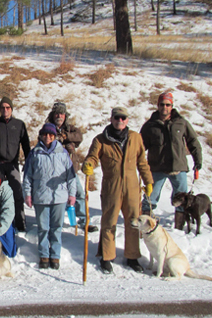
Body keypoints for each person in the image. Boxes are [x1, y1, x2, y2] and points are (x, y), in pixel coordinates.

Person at [82, 107, 153, 274]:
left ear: (127, 120)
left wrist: (148, 181)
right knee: (109, 223)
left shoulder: (135, 138)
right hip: (111, 187)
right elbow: (92, 156)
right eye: (116, 118)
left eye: (123, 118)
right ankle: (107, 257)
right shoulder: (100, 139)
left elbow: (142, 161)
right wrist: (89, 164)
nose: (119, 121)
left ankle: (132, 256)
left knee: (133, 222)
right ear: (111, 119)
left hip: (132, 188)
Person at [140, 92, 202, 229]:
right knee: (150, 199)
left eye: (168, 105)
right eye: (162, 104)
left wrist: (198, 160)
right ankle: (145, 225)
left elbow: (193, 142)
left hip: (178, 168)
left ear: (172, 106)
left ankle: (179, 227)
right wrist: (135, 162)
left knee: (182, 201)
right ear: (158, 106)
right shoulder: (150, 125)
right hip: (157, 168)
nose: (165, 107)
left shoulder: (182, 123)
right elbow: (140, 146)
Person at [23, 123, 76, 270]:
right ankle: (44, 254)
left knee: (56, 227)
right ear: (41, 135)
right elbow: (27, 176)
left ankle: (55, 255)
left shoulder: (62, 153)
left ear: (55, 136)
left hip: (59, 197)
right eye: (45, 134)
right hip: (40, 196)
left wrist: (72, 194)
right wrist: (27, 194)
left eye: (51, 135)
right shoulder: (35, 153)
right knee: (43, 228)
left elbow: (71, 176)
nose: (48, 137)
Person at [47, 102, 98, 233]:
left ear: (65, 115)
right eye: (57, 113)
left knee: (79, 194)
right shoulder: (47, 128)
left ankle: (85, 221)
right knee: (53, 196)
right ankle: (52, 221)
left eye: (62, 113)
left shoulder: (71, 129)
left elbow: (79, 137)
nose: (59, 116)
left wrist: (66, 137)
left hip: (70, 170)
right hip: (54, 170)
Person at [0, 97, 30, 232]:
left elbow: (25, 144)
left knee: (17, 193)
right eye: (3, 107)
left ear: (12, 109)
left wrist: (28, 160)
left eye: (8, 107)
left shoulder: (19, 124)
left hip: (13, 165)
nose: (5, 110)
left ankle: (20, 222)